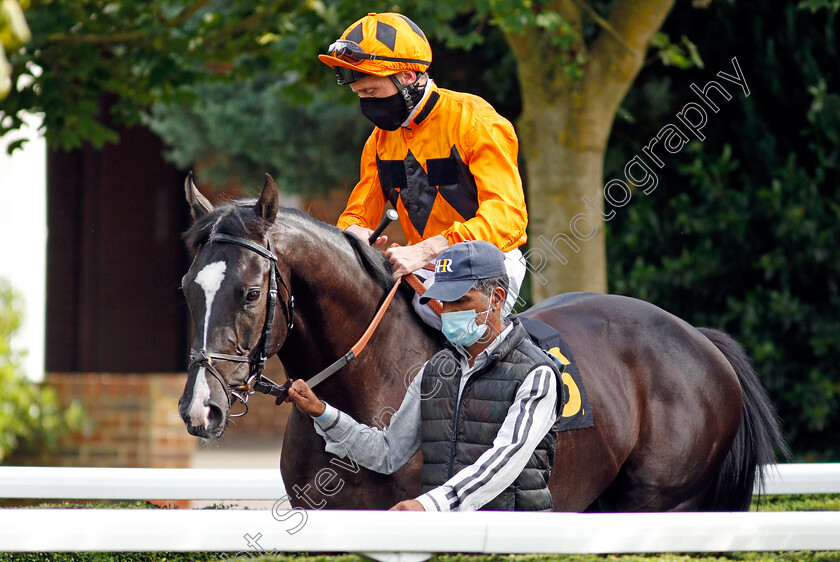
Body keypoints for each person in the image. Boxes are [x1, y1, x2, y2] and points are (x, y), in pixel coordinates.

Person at [286, 241, 561, 511]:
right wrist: (322, 412)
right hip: (449, 542)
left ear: (497, 298)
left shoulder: (538, 374)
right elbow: (387, 452)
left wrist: (428, 506)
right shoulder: (434, 370)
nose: (449, 313)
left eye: (460, 301)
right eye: (445, 303)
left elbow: (504, 461)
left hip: (513, 542)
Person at [318, 12, 528, 328]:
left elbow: (508, 219)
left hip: (487, 262)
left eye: (372, 92)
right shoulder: (379, 141)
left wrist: (429, 250)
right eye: (360, 95)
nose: (366, 103)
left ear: (406, 77)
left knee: (450, 326)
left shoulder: (476, 122)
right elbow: (359, 214)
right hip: (423, 266)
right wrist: (353, 232)